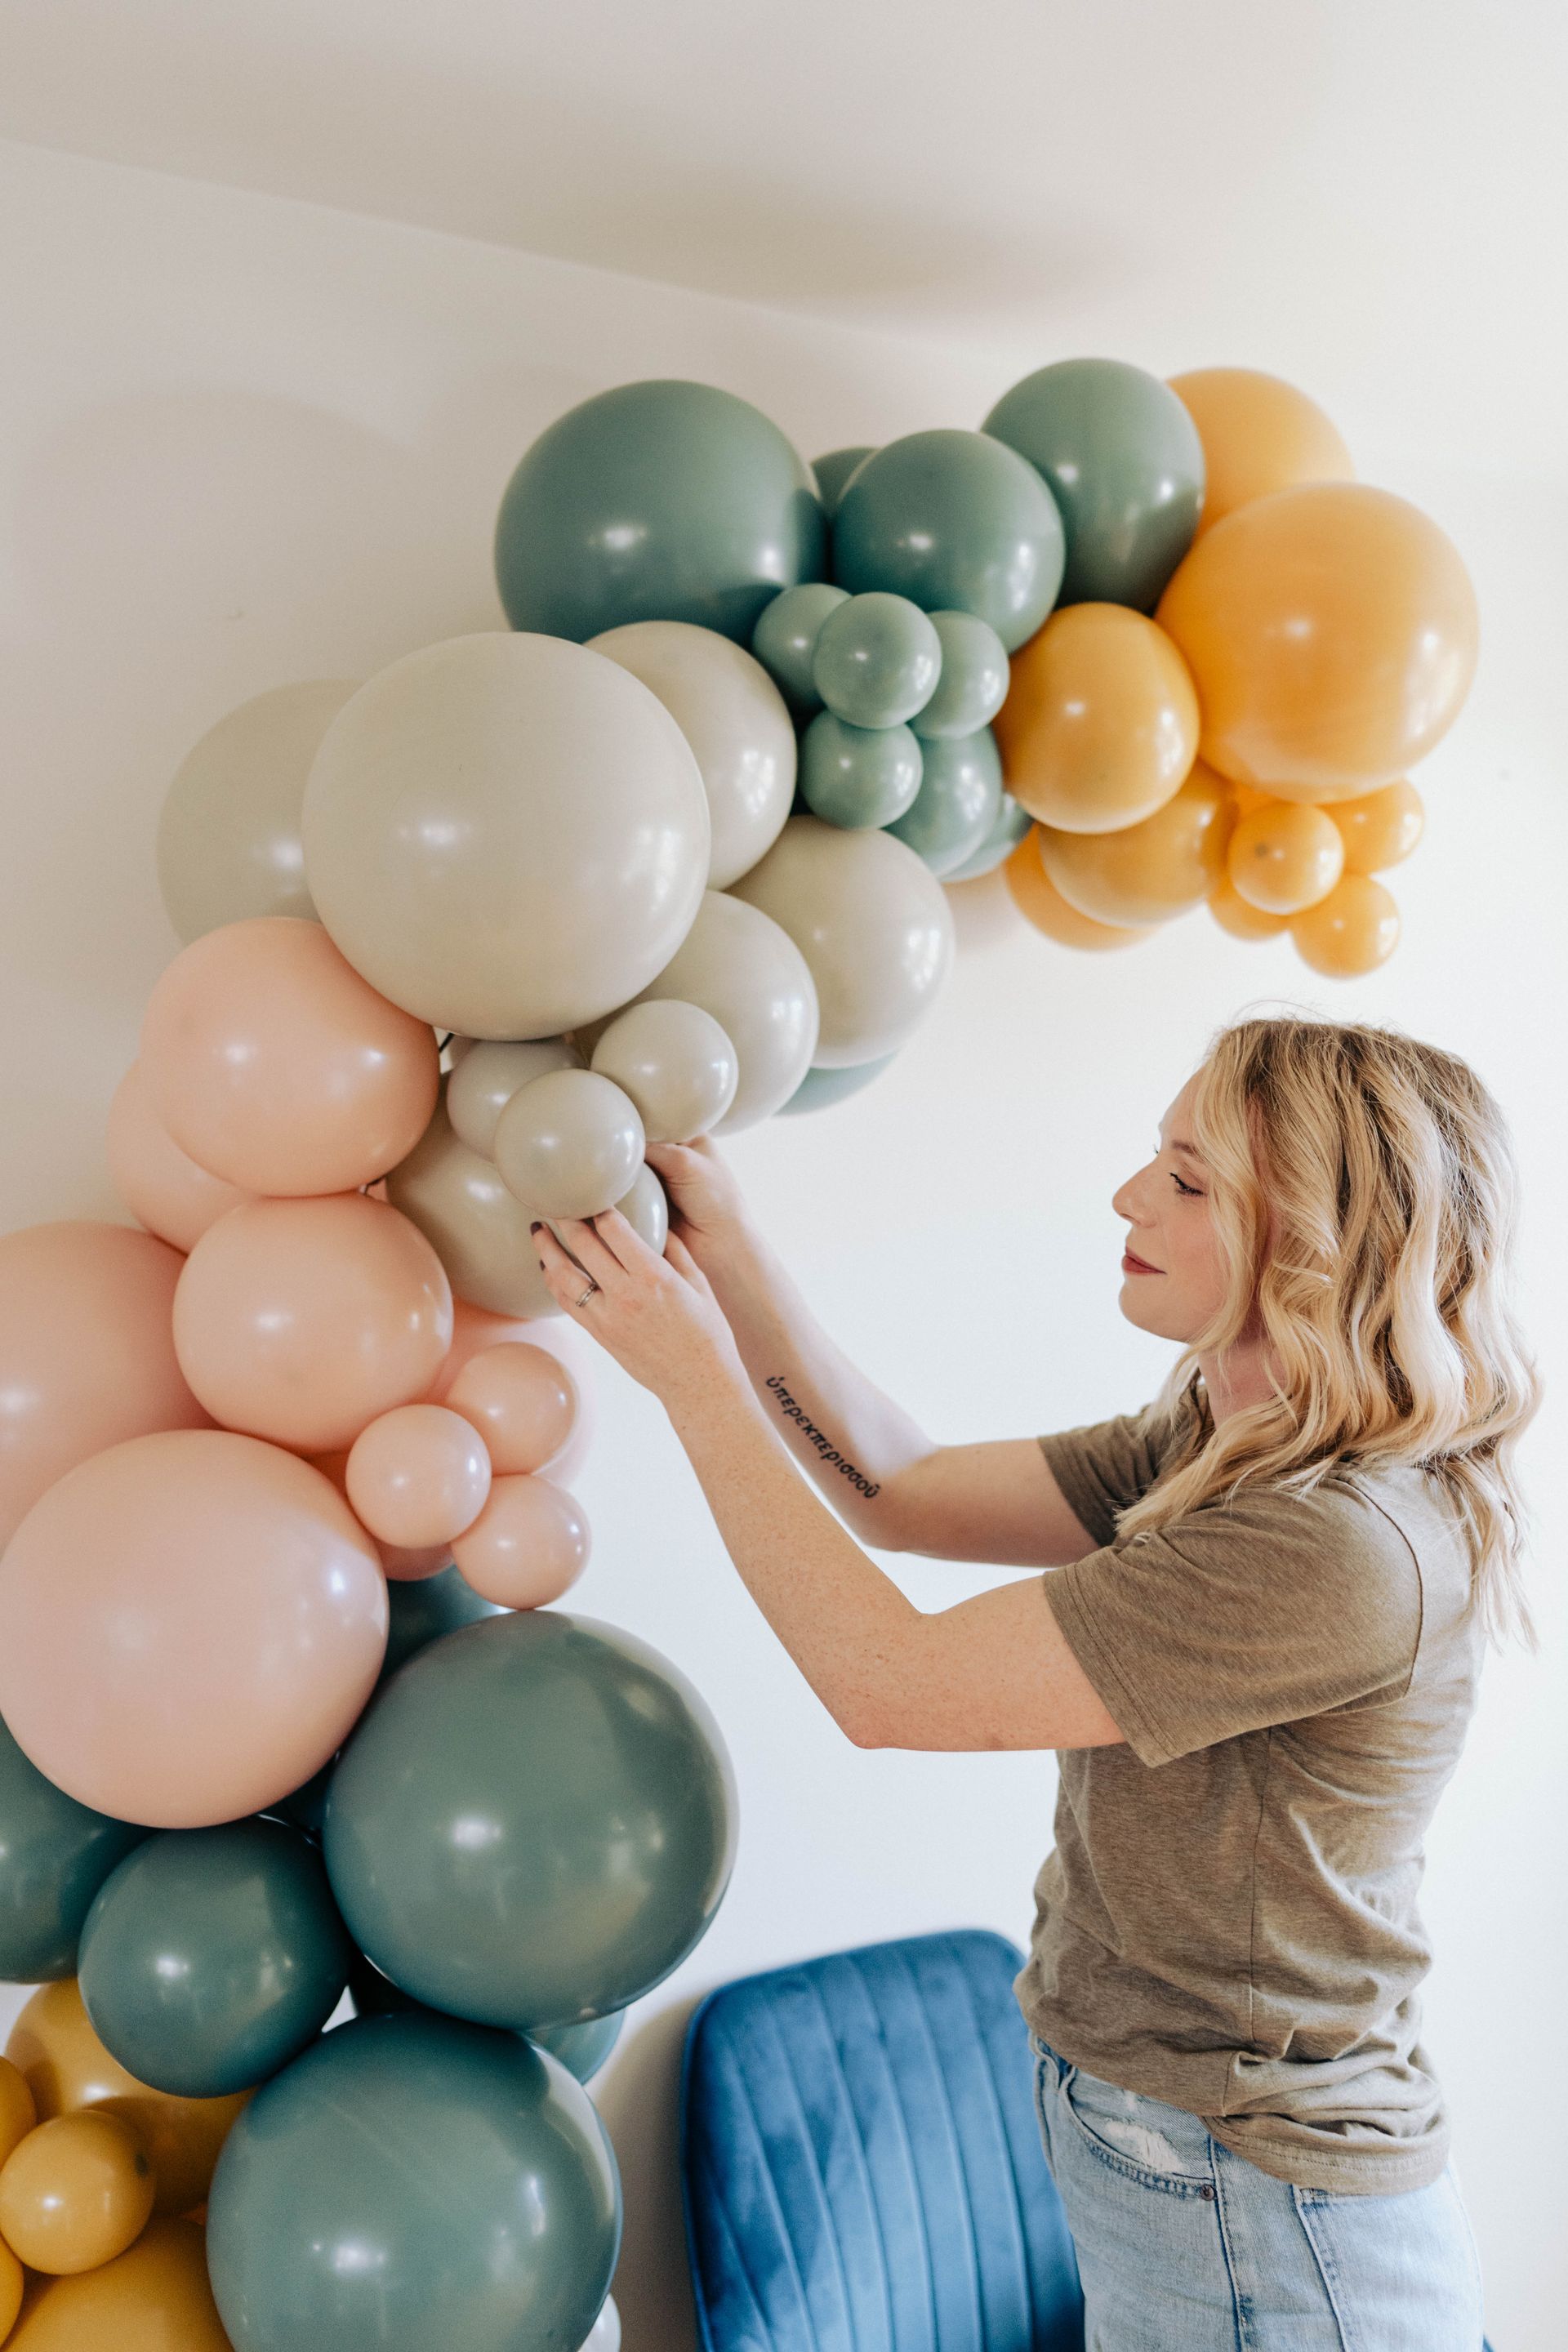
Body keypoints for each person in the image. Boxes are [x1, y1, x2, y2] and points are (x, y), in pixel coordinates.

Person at [529, 1014, 1535, 2352]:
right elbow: (901, 1490)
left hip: (1262, 2213)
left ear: (1311, 1240)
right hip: (1181, 2158)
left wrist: (694, 1384)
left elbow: (886, 1684)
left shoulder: (1331, 1545)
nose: (1130, 1197)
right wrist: (734, 1259)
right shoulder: (1233, 1434)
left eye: (1187, 1180)